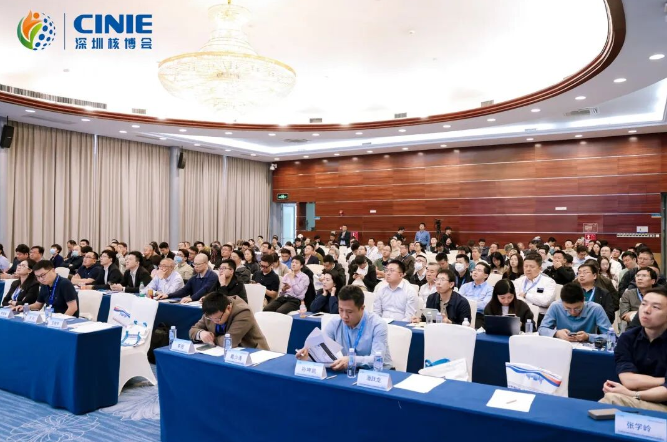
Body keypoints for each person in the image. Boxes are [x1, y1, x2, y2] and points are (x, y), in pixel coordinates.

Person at [600, 287, 667, 412]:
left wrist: (632, 394)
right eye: (644, 304)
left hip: (659, 404)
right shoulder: (628, 338)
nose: (646, 310)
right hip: (639, 401)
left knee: (612, 399)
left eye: (656, 307)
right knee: (611, 400)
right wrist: (663, 381)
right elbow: (629, 381)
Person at [297, 285, 393, 371]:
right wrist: (309, 355)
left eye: (349, 312)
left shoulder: (377, 325)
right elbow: (322, 348)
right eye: (341, 310)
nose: (344, 316)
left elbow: (376, 359)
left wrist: (352, 360)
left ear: (362, 308)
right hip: (347, 371)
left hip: (377, 372)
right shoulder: (335, 322)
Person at [189, 291, 269, 349]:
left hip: (252, 353)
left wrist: (210, 338)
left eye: (218, 318)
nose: (214, 321)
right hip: (222, 351)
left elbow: (230, 342)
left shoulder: (243, 312)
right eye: (210, 318)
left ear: (228, 308)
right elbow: (193, 330)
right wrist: (201, 334)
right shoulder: (210, 312)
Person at [538, 282, 612, 342]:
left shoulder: (595, 309)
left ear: (583, 300)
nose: (573, 312)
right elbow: (542, 329)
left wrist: (588, 337)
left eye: (577, 308)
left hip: (587, 349)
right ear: (562, 302)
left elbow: (611, 336)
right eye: (568, 308)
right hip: (562, 347)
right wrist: (556, 333)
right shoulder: (556, 306)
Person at [514, 253, 556, 320]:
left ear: (540, 268)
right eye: (525, 266)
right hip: (521, 314)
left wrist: (526, 295)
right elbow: (515, 299)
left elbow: (546, 302)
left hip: (541, 316)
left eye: (532, 267)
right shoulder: (518, 281)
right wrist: (536, 299)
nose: (528, 269)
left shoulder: (549, 282)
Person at [459, 261, 493, 328]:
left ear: (486, 275)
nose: (475, 272)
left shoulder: (490, 289)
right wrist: (476, 301)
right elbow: (458, 301)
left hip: (478, 316)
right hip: (462, 313)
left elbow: (484, 306)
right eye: (474, 269)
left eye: (479, 270)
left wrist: (466, 300)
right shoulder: (465, 286)